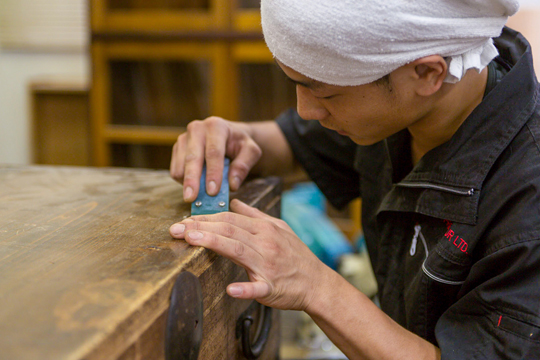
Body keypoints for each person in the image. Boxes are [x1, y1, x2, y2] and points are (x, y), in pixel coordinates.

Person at [168, 0, 540, 358]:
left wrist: (315, 285)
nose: (306, 110)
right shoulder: (407, 105)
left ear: (428, 73)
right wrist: (238, 139)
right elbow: (295, 142)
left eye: (324, 91)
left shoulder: (527, 203)